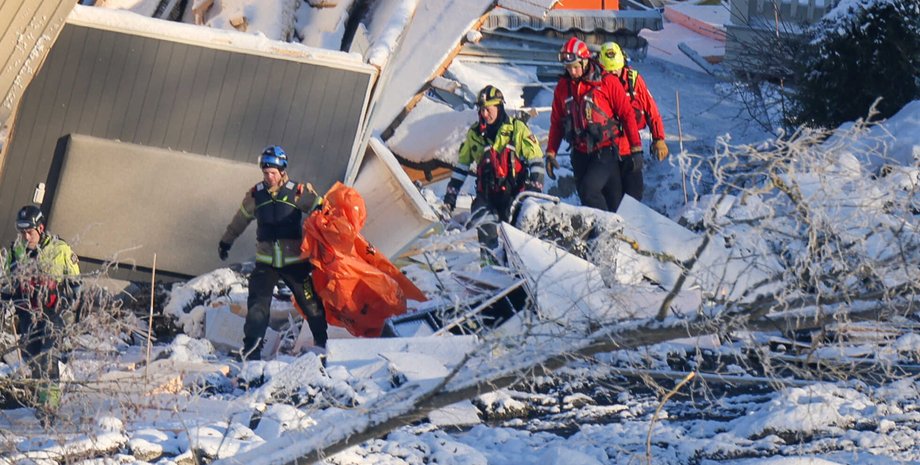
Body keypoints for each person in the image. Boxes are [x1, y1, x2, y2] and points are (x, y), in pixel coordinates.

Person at [218, 145, 327, 360]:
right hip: (266, 262)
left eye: (273, 173)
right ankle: (251, 354)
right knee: (257, 309)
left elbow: (322, 209)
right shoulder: (256, 195)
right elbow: (240, 220)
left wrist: (326, 220)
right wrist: (226, 241)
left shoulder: (298, 192)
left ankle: (323, 345)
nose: (269, 177)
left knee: (311, 303)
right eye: (266, 173)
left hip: (294, 262)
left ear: (282, 171)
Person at [443, 85, 545, 264]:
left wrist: (533, 189)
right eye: (481, 110)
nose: (484, 114)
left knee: (515, 240)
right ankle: (489, 269)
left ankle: (516, 269)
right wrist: (450, 198)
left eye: (488, 109)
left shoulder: (517, 129)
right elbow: (462, 167)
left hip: (514, 197)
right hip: (487, 197)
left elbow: (536, 159)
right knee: (485, 227)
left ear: (499, 107)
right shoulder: (474, 135)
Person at [545, 37, 643, 213]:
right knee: (610, 201)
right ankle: (610, 230)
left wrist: (636, 148)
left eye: (575, 67)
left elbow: (627, 114)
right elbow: (556, 122)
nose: (572, 72)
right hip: (580, 153)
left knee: (589, 189)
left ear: (585, 62)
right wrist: (551, 152)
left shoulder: (607, 82)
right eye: (568, 68)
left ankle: (607, 228)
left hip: (605, 151)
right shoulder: (563, 88)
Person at [2, 205, 80, 407]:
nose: (26, 237)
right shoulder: (16, 251)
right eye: (22, 233)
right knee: (34, 359)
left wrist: (68, 311)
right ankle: (39, 399)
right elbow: (8, 284)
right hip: (28, 315)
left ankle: (49, 406)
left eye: (30, 232)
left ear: (40, 228)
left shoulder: (60, 249)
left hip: (54, 313)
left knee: (48, 356)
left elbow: (75, 283)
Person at [598, 41, 669, 162]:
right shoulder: (596, 83)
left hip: (630, 142)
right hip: (604, 144)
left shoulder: (634, 81)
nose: (613, 74)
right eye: (609, 71)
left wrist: (659, 138)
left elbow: (651, 109)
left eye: (616, 69)